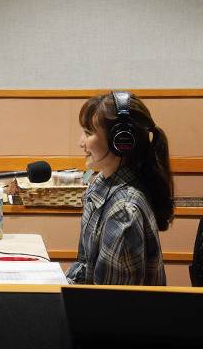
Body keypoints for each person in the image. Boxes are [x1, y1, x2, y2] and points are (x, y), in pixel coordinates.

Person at [65, 91, 174, 285]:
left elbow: (112, 299)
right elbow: (85, 266)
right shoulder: (100, 183)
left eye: (88, 133)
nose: (81, 143)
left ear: (121, 141)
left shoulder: (123, 211)